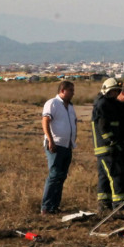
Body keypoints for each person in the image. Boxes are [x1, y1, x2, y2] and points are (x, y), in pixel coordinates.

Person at [92, 78, 124, 213]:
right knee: (116, 175)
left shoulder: (107, 104)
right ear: (108, 91)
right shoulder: (103, 105)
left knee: (104, 177)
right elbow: (103, 126)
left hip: (103, 148)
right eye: (115, 91)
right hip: (107, 148)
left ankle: (104, 205)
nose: (116, 94)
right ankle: (119, 206)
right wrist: (112, 142)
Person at [41, 80, 78, 215]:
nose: (73, 93)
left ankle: (54, 206)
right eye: (71, 90)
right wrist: (50, 140)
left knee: (61, 176)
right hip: (56, 145)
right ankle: (46, 207)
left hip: (67, 145)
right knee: (54, 175)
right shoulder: (53, 103)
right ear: (63, 91)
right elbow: (45, 121)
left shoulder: (70, 106)